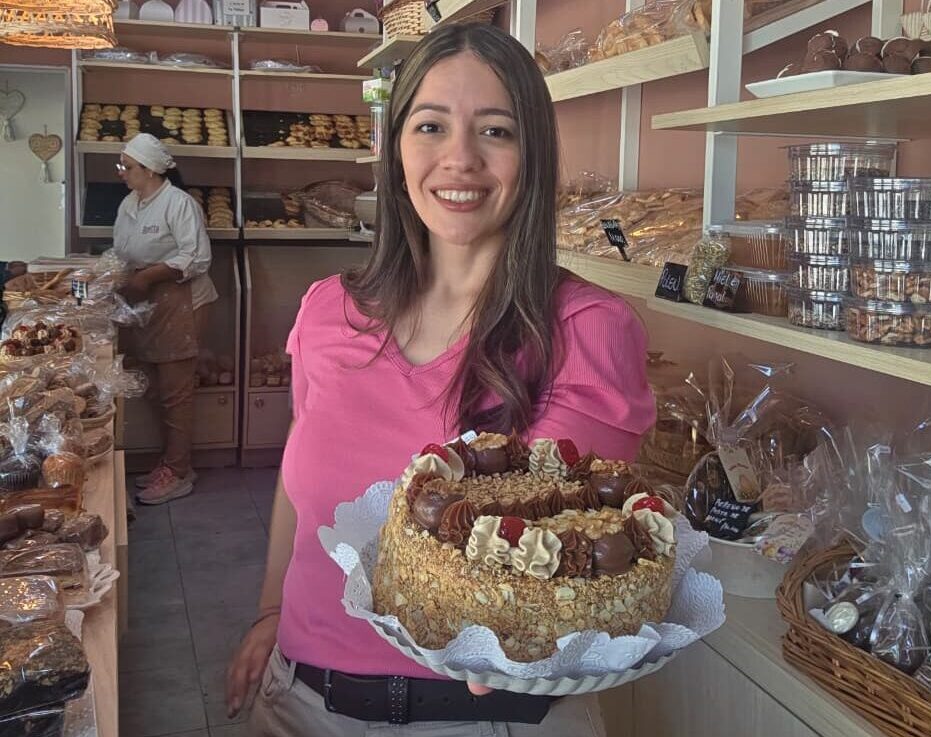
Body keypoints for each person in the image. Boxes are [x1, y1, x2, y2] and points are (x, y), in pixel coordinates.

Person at [227, 23, 655, 736]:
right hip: (298, 703)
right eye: (430, 126)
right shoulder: (328, 310)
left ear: (533, 158)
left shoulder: (587, 330)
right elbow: (299, 480)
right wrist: (272, 610)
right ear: (395, 149)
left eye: (495, 131)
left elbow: (560, 551)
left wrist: (516, 638)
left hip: (487, 718)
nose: (460, 158)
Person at [112, 133, 217, 505]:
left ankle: (179, 472)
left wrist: (149, 276)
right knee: (157, 391)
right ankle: (169, 462)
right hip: (150, 307)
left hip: (182, 303)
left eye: (127, 166)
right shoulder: (130, 204)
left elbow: (197, 257)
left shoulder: (178, 204)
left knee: (176, 393)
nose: (121, 172)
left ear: (150, 170)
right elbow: (122, 252)